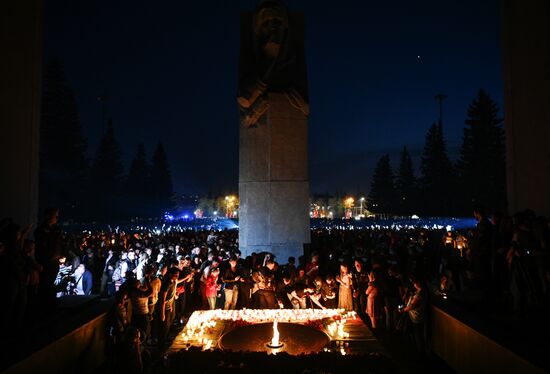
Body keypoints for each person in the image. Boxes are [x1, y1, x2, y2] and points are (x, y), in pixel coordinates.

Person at [34, 208, 63, 308]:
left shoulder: (55, 230)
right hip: (46, 262)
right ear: (48, 216)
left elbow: (59, 243)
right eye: (55, 215)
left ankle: (49, 302)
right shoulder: (41, 231)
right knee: (45, 284)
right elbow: (42, 247)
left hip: (54, 262)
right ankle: (44, 305)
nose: (57, 218)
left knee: (50, 283)